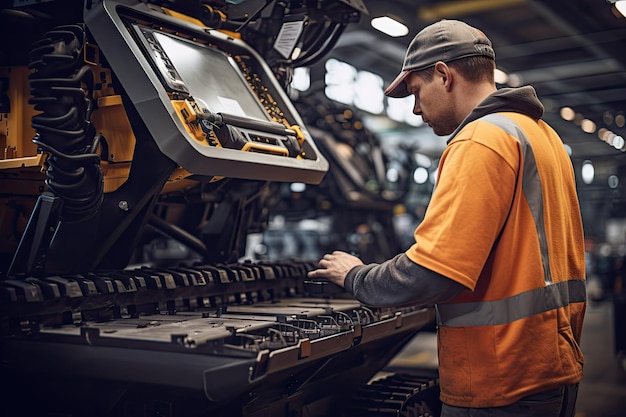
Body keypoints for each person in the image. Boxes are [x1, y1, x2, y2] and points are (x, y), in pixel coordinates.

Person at [307, 19, 586, 417]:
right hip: (551, 365)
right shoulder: (542, 136)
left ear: (443, 75)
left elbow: (437, 271)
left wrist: (356, 276)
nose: (417, 108)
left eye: (416, 92)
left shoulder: (479, 140)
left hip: (501, 377)